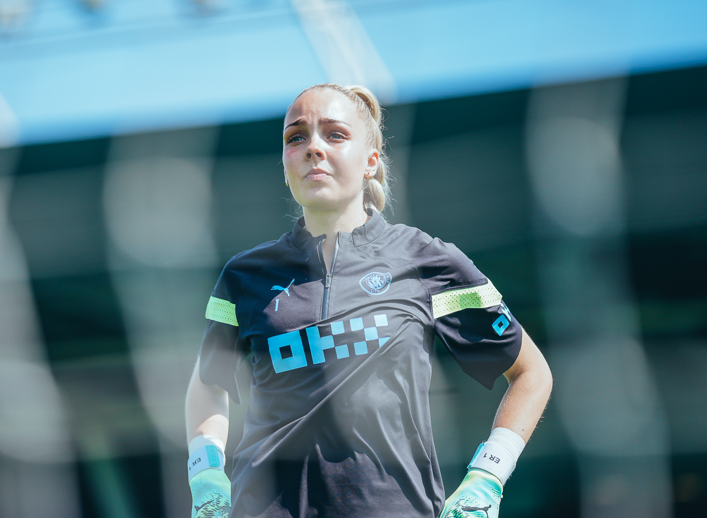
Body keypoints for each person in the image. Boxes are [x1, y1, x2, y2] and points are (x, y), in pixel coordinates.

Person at [185, 83, 552, 518]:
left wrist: (487, 476)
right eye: (296, 136)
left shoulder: (428, 260)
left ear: (371, 162)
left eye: (335, 134)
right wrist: (205, 477)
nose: (313, 148)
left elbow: (531, 373)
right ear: (284, 166)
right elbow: (208, 383)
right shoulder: (243, 276)